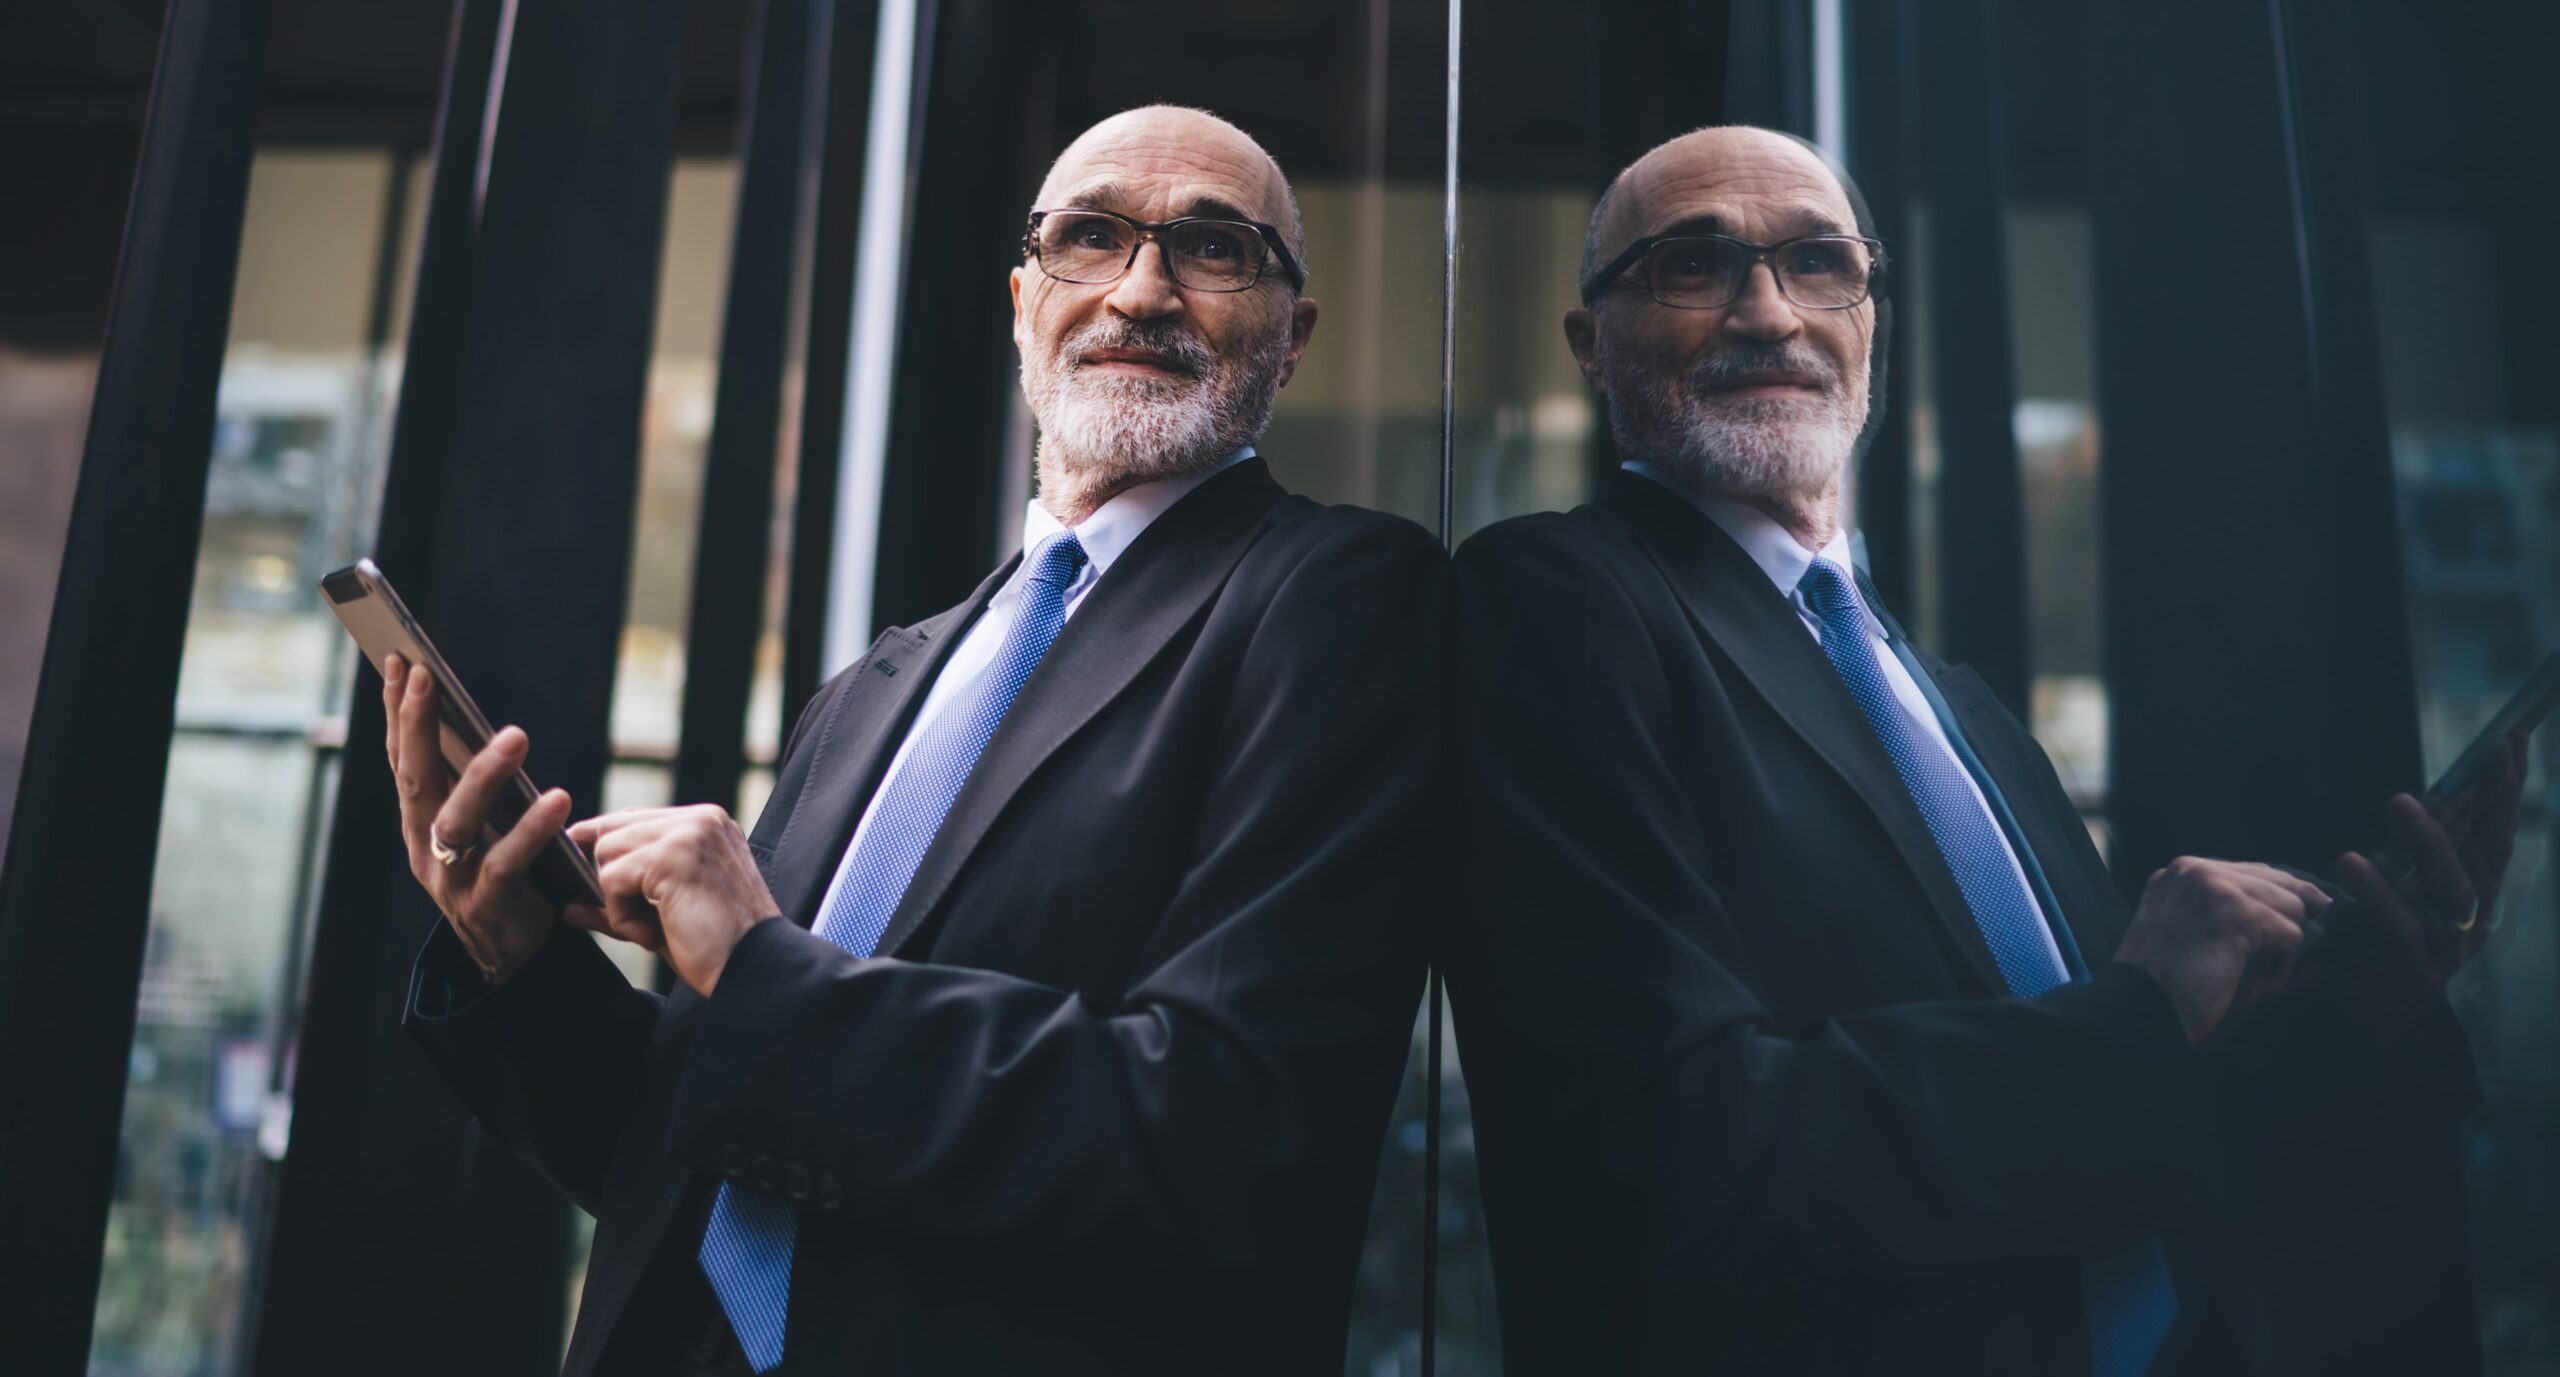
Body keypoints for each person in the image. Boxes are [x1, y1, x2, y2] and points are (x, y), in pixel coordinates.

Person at [1445, 124, 2526, 1374]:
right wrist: (2142, 1007)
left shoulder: (1951, 704)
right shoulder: (1555, 601)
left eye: (1818, 261)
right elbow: (1676, 1146)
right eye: (1692, 265)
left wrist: (2365, 1006)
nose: (1769, 312)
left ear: (1870, 320)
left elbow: (2139, 1132)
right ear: (1590, 345)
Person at [379, 105, 1443, 1375]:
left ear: (1293, 335)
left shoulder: (1339, 598)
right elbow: (704, 1161)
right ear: (1022, 301)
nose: (1140, 290)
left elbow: (1226, 1135)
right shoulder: (878, 684)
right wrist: (517, 962)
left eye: (1214, 249)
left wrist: (760, 968)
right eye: (1089, 236)